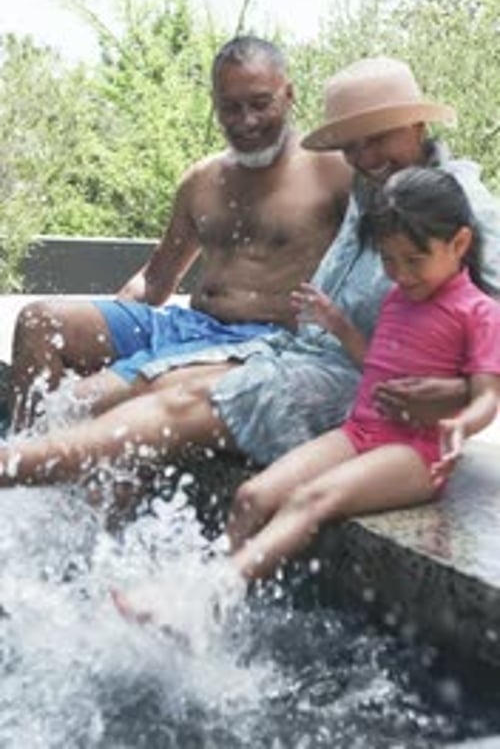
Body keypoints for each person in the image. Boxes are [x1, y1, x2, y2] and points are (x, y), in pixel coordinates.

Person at [0, 57, 499, 493]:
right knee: (155, 386)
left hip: (362, 386)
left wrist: (465, 395)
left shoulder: (461, 207)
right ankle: (80, 545)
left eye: (379, 138)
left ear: (417, 125)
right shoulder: (375, 185)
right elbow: (155, 279)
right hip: (294, 353)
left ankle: (12, 467)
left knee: (182, 401)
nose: (365, 157)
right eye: (351, 144)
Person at [114, 167, 500, 620]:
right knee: (252, 497)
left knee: (310, 500)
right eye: (390, 261)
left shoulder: (479, 312)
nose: (400, 274)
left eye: (413, 260)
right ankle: (214, 611)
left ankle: (199, 598)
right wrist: (338, 325)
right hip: (360, 432)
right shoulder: (401, 297)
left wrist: (461, 423)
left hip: (416, 451)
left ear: (459, 244)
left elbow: (488, 397)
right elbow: (377, 365)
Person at [10, 35, 351, 428]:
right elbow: (156, 279)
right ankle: (22, 463)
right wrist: (115, 316)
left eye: (260, 103)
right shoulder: (202, 179)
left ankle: (31, 465)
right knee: (40, 321)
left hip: (265, 343)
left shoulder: (332, 172)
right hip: (188, 326)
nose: (246, 120)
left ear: (288, 94)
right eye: (231, 107)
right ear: (215, 103)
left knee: (86, 399)